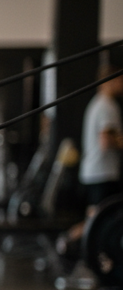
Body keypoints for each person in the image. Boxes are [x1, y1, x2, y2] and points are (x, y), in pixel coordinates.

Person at [59, 68, 123, 255]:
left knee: (97, 217)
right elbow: (106, 140)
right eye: (119, 80)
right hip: (102, 172)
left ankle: (70, 243)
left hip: (96, 171)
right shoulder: (107, 106)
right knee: (99, 220)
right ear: (109, 82)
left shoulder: (98, 104)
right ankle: (70, 244)